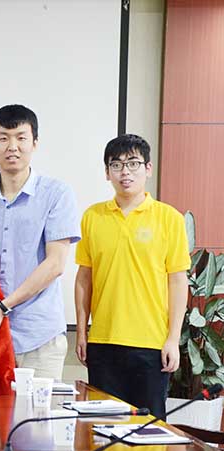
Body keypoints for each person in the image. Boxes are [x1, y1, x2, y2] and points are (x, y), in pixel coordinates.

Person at [0, 104, 80, 380]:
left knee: (38, 409)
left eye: (21, 138)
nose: (12, 146)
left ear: (34, 143)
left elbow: (55, 264)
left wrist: (3, 307)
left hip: (39, 336)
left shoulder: (56, 193)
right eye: (3, 138)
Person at [75, 134, 190, 418]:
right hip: (103, 342)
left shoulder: (169, 218)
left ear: (148, 168)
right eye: (116, 165)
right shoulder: (93, 216)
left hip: (150, 345)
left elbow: (178, 282)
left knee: (148, 428)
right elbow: (84, 278)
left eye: (133, 163)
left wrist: (172, 339)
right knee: (102, 428)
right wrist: (82, 332)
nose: (125, 172)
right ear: (107, 172)